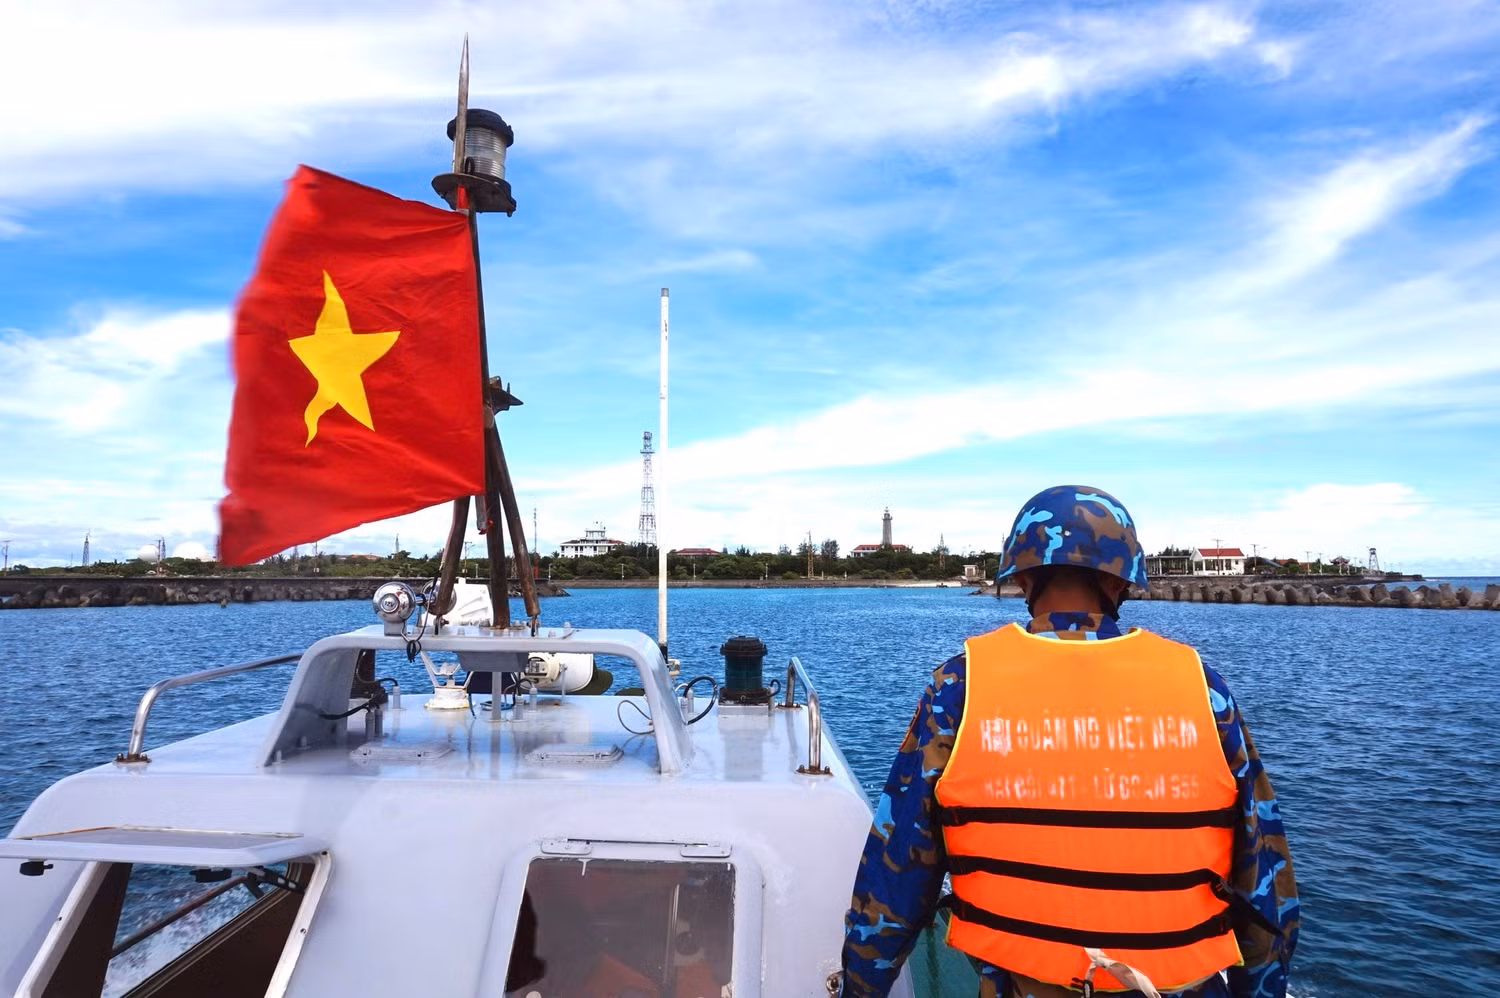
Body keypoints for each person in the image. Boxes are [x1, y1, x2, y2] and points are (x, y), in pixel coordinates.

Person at [839, 486, 1299, 998]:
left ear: (1022, 576)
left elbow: (897, 873)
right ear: (1122, 579)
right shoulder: (1202, 686)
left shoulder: (960, 688)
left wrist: (861, 987)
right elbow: (1266, 874)